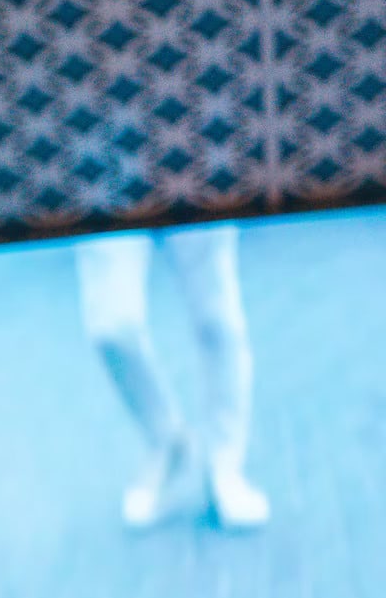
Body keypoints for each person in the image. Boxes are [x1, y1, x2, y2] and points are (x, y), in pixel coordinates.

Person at [76, 223, 270, 531]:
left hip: (194, 176)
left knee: (216, 318)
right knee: (111, 326)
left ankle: (226, 467)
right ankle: (168, 441)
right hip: (110, 178)